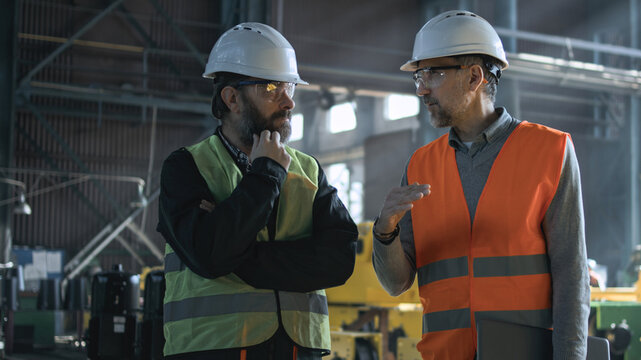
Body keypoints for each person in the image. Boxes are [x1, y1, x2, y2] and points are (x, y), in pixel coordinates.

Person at [372, 10, 590, 360]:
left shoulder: (550, 151)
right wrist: (384, 232)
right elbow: (396, 283)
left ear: (474, 77)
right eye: (419, 76)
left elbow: (572, 274)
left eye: (433, 73)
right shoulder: (420, 165)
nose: (422, 88)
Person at [157, 22, 357, 360]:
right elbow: (209, 255)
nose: (288, 102)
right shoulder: (186, 167)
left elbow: (339, 261)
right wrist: (266, 174)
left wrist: (241, 258)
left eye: (289, 86)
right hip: (213, 349)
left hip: (299, 350)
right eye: (271, 88)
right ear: (232, 97)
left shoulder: (308, 170)